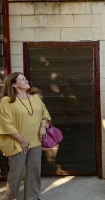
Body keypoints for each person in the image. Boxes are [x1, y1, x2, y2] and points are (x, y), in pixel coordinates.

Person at [0, 72, 51, 200]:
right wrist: (21, 140)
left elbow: (45, 113)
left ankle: (32, 197)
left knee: (34, 172)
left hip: (36, 141)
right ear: (14, 84)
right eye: (22, 80)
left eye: (25, 79)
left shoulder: (34, 97)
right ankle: (11, 198)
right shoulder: (7, 101)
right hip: (17, 142)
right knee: (15, 174)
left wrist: (43, 126)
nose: (26, 81)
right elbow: (5, 123)